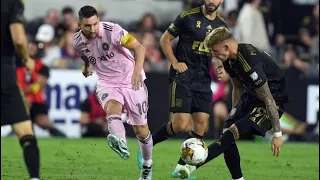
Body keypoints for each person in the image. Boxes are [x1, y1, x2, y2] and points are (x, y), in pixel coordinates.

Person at [179, 26, 289, 180]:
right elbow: (237, 87)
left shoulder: (250, 64)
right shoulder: (229, 60)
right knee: (226, 134)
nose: (214, 55)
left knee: (229, 135)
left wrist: (277, 134)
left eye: (215, 51)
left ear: (226, 47)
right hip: (251, 95)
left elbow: (269, 98)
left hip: (271, 101)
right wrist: (234, 113)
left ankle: (190, 167)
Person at [136, 0, 229, 179]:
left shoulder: (222, 25)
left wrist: (221, 66)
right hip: (183, 77)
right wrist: (174, 62)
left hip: (203, 80)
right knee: (180, 125)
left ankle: (181, 167)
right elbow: (165, 39)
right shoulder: (188, 17)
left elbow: (219, 53)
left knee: (201, 125)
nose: (212, 1)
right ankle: (146, 146)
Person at [72, 6, 153, 180]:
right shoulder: (77, 41)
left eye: (95, 24)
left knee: (141, 131)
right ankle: (120, 141)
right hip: (107, 82)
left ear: (99, 21)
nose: (92, 29)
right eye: (87, 26)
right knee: (112, 109)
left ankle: (147, 165)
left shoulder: (113, 31)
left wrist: (137, 71)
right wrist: (87, 68)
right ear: (79, 24)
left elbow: (139, 48)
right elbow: (85, 56)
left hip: (131, 79)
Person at [1, 0, 40, 180]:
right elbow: (18, 38)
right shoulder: (12, 3)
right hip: (4, 71)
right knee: (25, 133)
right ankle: (34, 178)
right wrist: (26, 59)